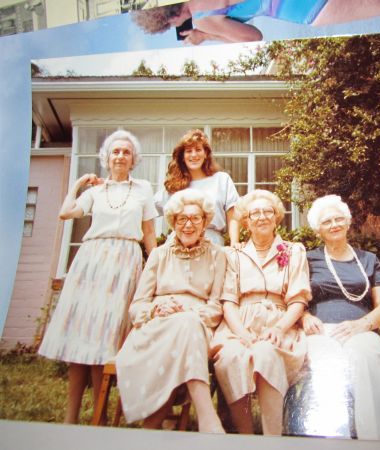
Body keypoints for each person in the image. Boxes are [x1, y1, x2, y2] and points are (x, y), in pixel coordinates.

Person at [38, 130, 158, 424]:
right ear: (106, 157)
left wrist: (155, 270)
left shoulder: (143, 189)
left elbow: (149, 234)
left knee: (105, 338)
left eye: (126, 152)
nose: (120, 156)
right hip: (91, 263)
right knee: (80, 337)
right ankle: (71, 418)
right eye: (115, 151)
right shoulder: (95, 192)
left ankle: (99, 416)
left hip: (125, 262)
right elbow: (65, 213)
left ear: (133, 159)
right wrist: (79, 183)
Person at [115, 189, 226, 432]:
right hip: (157, 328)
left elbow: (216, 306)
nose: (188, 224)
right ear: (173, 222)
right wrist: (156, 308)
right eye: (182, 219)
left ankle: (153, 426)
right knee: (185, 327)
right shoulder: (159, 255)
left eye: (195, 218)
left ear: (205, 222)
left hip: (197, 325)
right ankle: (207, 418)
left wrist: (192, 314)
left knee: (188, 324)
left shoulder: (218, 255)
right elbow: (137, 307)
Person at [211, 189, 311, 435]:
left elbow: (298, 299)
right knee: (230, 357)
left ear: (277, 218)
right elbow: (228, 301)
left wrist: (279, 328)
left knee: (267, 353)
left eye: (268, 211)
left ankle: (271, 438)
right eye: (255, 213)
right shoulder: (233, 254)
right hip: (239, 323)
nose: (262, 217)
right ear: (246, 221)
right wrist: (242, 334)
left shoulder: (294, 250)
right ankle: (246, 437)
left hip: (280, 322)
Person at [298, 194, 380, 440]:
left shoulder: (368, 260)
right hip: (321, 331)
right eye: (327, 221)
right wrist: (304, 316)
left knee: (366, 357)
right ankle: (335, 440)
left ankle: (373, 441)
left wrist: (363, 324)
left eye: (338, 219)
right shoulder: (308, 259)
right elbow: (294, 297)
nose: (334, 225)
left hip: (360, 330)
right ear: (318, 229)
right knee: (327, 362)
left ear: (348, 222)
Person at [131, 0, 380, 45]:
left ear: (173, 19)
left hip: (306, 9)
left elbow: (252, 37)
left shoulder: (206, 20)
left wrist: (206, 35)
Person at [154, 128, 240, 247]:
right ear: (182, 157)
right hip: (178, 244)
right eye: (189, 151)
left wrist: (234, 243)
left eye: (198, 150)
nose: (194, 155)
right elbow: (146, 211)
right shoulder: (174, 186)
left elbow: (233, 215)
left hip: (211, 243)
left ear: (205, 154)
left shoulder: (221, 179)